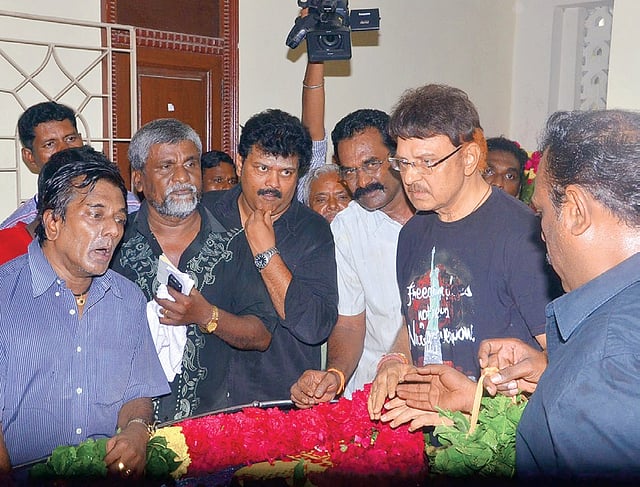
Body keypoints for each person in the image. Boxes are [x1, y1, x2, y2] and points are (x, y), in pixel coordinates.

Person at [368, 84, 558, 420]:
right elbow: (416, 319)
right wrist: (396, 360)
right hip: (428, 432)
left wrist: (472, 409)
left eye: (427, 162)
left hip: (499, 440)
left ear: (469, 158)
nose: (411, 177)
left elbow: (560, 366)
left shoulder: (525, 236)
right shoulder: (412, 233)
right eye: (404, 163)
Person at [0, 146, 169, 475]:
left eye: (120, 219)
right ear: (52, 222)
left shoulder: (128, 299)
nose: (113, 230)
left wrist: (136, 431)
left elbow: (138, 392)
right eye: (96, 215)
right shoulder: (5, 295)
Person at [111, 118, 276, 421]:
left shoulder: (234, 242)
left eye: (190, 164)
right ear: (138, 180)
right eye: (166, 167)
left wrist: (207, 316)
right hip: (126, 430)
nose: (182, 177)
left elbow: (262, 334)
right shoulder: (114, 244)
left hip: (211, 427)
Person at [516, 109, 640, 478]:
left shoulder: (604, 369)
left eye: (541, 212)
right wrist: (556, 374)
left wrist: (577, 382)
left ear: (575, 211)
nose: (541, 233)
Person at [203, 109, 338, 404]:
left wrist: (266, 254)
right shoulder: (204, 213)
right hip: (205, 402)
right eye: (262, 168)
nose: (273, 184)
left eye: (286, 172)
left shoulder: (312, 230)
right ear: (241, 164)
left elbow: (315, 327)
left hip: (278, 402)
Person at [291, 109, 413, 407]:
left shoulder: (436, 214)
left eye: (371, 164)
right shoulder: (348, 226)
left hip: (441, 391)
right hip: (372, 396)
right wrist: (336, 375)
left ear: (397, 156)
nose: (362, 181)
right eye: (349, 170)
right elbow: (349, 323)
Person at [1, 101, 139, 230]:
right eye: (50, 144)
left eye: (70, 138)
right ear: (29, 157)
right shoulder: (17, 229)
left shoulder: (130, 207)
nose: (65, 149)